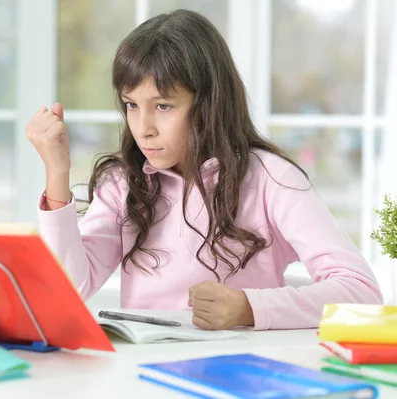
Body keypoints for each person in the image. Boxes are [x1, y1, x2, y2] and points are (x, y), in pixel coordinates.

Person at [25, 9, 382, 331]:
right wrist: (57, 174)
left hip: (240, 374)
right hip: (140, 375)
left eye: (163, 106)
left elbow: (360, 290)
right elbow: (67, 290)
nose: (143, 127)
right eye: (131, 105)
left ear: (209, 104)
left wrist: (250, 308)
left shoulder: (271, 178)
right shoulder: (123, 184)